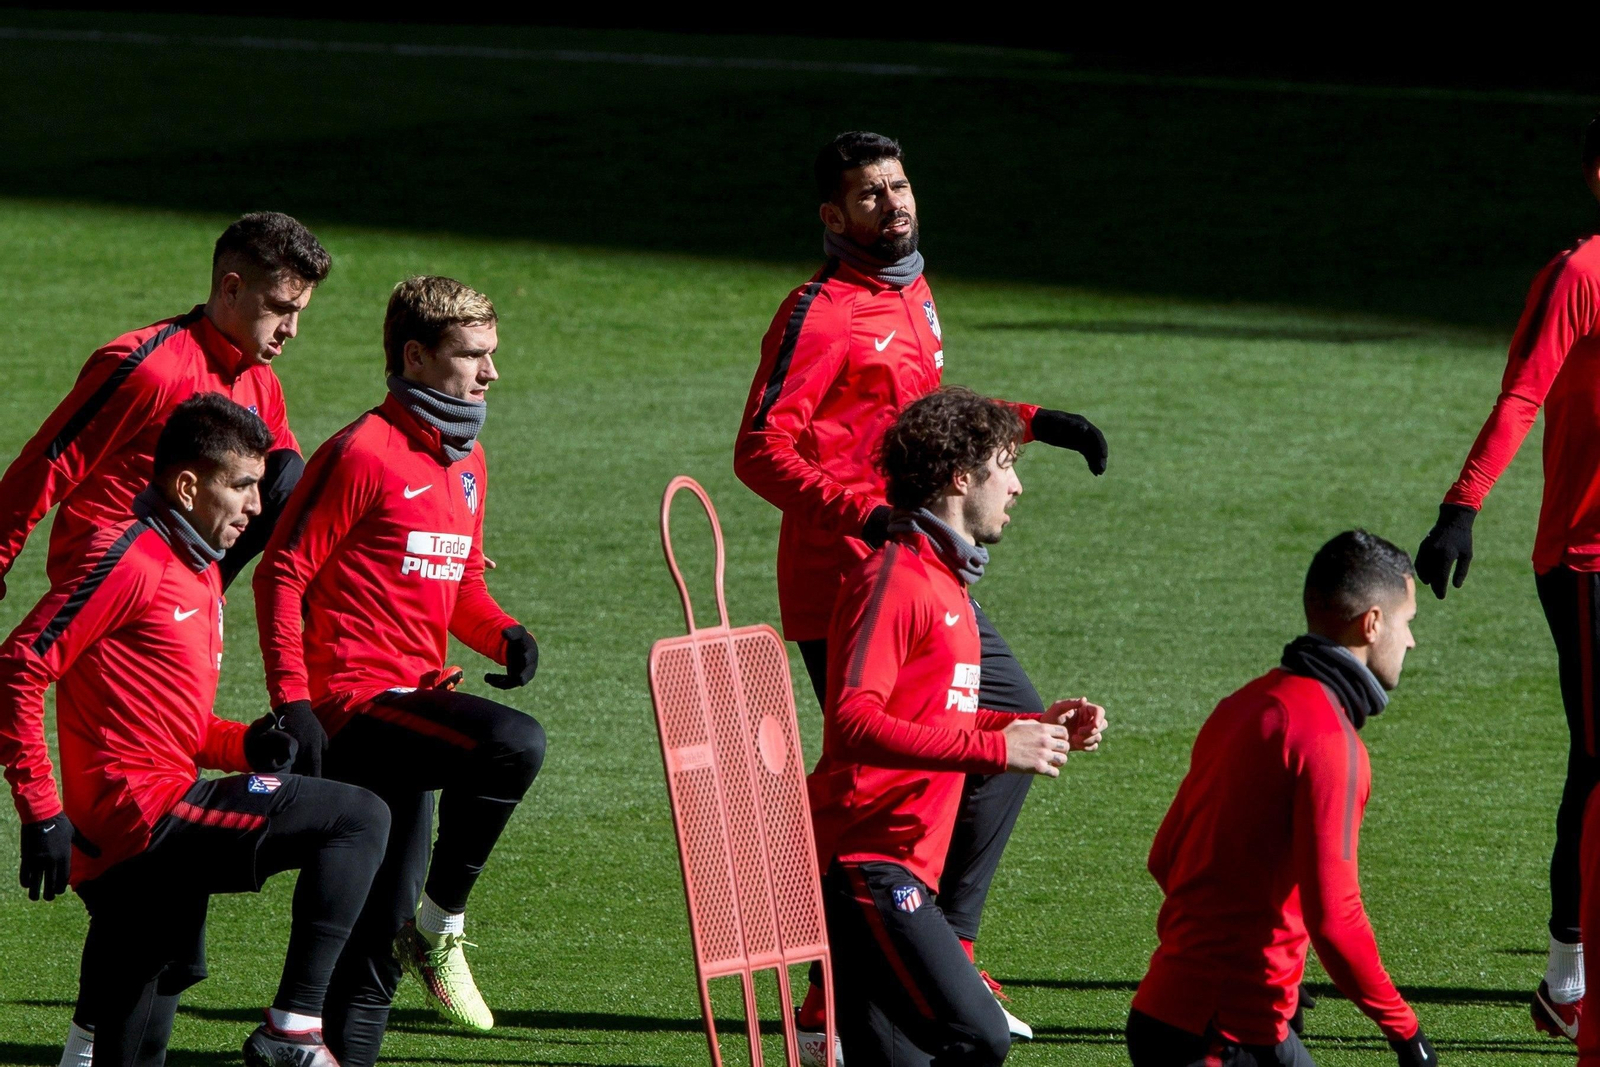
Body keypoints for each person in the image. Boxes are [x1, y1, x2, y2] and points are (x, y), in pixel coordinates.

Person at [734, 130, 1108, 1046]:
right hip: (852, 583)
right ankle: (867, 972)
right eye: (870, 195)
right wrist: (864, 517)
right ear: (834, 216)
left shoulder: (911, 287)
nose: (893, 205)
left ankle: (926, 948)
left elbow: (926, 417)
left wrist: (1031, 421)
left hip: (922, 565)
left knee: (1005, 733)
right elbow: (759, 449)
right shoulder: (819, 312)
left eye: (899, 187)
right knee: (879, 776)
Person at [0, 394, 390, 1067]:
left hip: (155, 808)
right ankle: (294, 1026)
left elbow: (162, 716)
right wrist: (39, 810)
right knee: (358, 816)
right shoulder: (125, 557)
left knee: (140, 1041)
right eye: (241, 485)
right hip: (140, 817)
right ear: (187, 484)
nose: (256, 506)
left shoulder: (200, 567)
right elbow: (19, 665)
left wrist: (243, 743)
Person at [254, 276, 545, 1067]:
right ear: (416, 357)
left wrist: (503, 634)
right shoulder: (360, 453)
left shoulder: (468, 460)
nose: (490, 375)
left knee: (372, 946)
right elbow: (281, 574)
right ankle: (442, 924)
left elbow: (457, 587)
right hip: (353, 706)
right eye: (472, 357)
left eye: (492, 355)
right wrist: (293, 702)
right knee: (513, 743)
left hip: (415, 706)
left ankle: (335, 1044)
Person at [808, 387, 1106, 1067]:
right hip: (864, 866)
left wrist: (1036, 722)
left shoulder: (948, 585)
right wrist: (996, 748)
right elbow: (852, 720)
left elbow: (940, 713)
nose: (1019, 485)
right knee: (980, 1035)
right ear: (960, 478)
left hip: (899, 864)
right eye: (1006, 465)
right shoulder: (892, 579)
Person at [1414, 113, 1600, 1039]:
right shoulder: (1580, 273)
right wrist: (1463, 505)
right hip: (1588, 562)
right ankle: (1567, 979)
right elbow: (1525, 389)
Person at [1128, 530, 1433, 1067]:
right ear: (1373, 623)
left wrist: (1273, 962)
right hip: (1225, 1035)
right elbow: (1336, 918)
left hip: (1165, 1012)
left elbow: (1166, 857)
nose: (1411, 642)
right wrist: (1405, 1031)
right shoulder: (1331, 743)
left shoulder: (1244, 704)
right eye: (1407, 623)